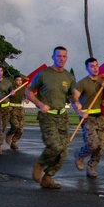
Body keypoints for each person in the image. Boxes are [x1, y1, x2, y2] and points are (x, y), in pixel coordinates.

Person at [25, 46, 78, 189]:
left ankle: (47, 177)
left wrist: (77, 103)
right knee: (55, 146)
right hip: (47, 116)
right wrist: (40, 104)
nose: (61, 59)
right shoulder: (43, 74)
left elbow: (71, 95)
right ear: (53, 57)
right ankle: (40, 163)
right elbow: (28, 91)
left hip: (62, 117)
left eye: (64, 56)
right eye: (58, 56)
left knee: (64, 151)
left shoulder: (69, 77)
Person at [74, 57, 104, 178]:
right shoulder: (82, 83)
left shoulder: (102, 82)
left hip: (99, 117)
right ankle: (80, 155)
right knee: (92, 144)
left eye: (96, 65)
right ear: (87, 68)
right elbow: (74, 99)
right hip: (87, 117)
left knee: (102, 145)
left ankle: (91, 166)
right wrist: (80, 112)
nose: (95, 68)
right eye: (92, 66)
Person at [4, 75, 26, 150]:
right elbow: (5, 97)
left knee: (21, 129)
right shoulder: (10, 88)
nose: (19, 82)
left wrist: (26, 99)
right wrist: (8, 105)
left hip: (20, 108)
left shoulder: (23, 87)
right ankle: (9, 134)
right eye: (18, 80)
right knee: (15, 125)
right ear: (14, 81)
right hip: (12, 109)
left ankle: (14, 142)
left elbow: (25, 95)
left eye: (20, 80)